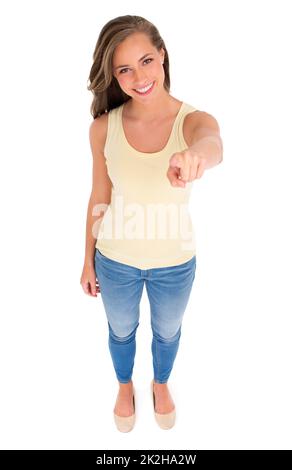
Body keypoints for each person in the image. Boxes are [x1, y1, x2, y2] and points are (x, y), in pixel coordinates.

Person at [80, 15, 223, 432]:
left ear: (162, 55)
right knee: (121, 333)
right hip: (115, 261)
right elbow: (98, 197)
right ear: (113, 76)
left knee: (167, 333)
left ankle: (160, 383)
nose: (138, 77)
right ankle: (125, 385)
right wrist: (88, 260)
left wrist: (196, 157)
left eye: (146, 60)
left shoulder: (193, 121)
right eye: (124, 69)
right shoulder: (103, 128)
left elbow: (212, 142)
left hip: (174, 263)